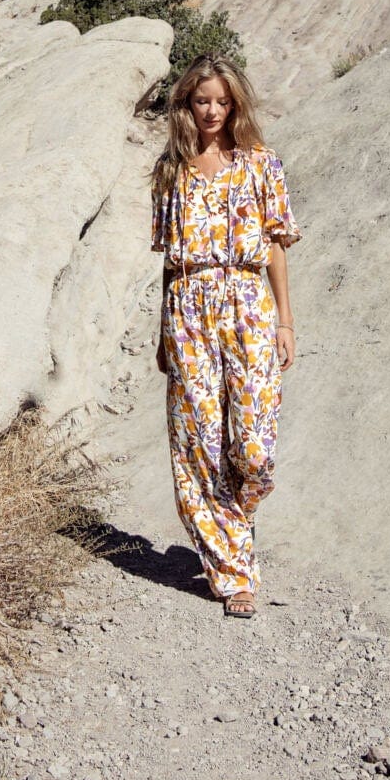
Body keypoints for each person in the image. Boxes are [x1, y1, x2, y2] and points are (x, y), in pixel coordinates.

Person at [150, 53, 299, 620]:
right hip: (188, 310)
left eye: (221, 101)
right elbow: (169, 262)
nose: (212, 111)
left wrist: (285, 321)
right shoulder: (171, 170)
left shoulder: (261, 164)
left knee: (255, 450)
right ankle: (234, 573)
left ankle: (234, 518)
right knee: (199, 443)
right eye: (201, 101)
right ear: (186, 104)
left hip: (248, 305)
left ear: (235, 104)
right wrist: (163, 335)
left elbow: (276, 246)